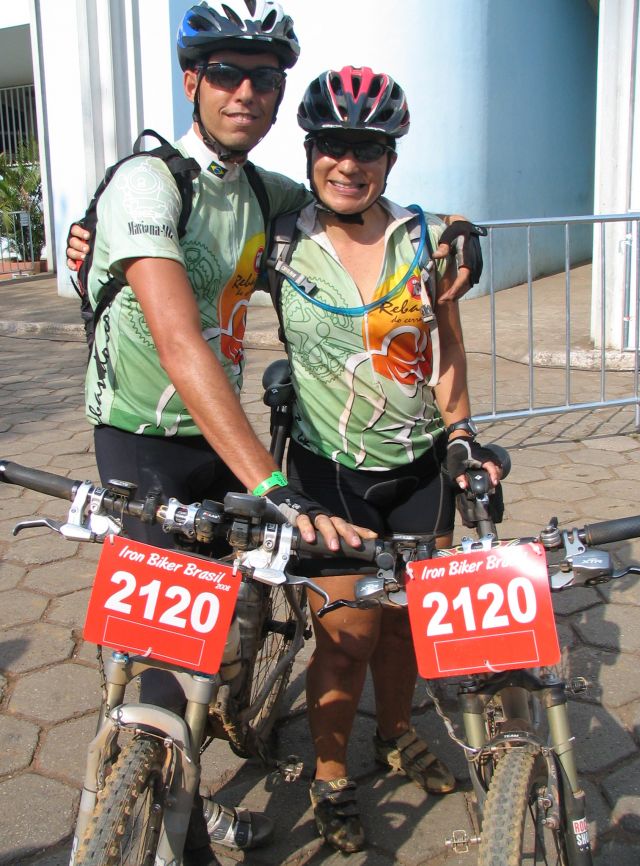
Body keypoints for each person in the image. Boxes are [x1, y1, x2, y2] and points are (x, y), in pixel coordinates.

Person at [65, 4, 375, 864]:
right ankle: (159, 819)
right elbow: (175, 340)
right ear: (191, 81)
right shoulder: (146, 180)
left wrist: (445, 235)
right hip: (142, 441)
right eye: (227, 73)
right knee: (151, 660)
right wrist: (273, 485)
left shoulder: (264, 192)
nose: (246, 92)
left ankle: (181, 782)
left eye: (265, 78)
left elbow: (356, 199)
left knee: (197, 639)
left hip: (220, 438)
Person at [261, 66, 502, 853]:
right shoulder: (280, 239)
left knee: (407, 628)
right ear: (309, 152)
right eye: (333, 144)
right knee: (349, 635)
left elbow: (446, 348)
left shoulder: (422, 239)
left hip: (419, 467)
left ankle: (394, 734)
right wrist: (91, 234)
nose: (350, 162)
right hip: (329, 474)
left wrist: (461, 433)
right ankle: (331, 773)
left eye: (368, 147)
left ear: (390, 159)